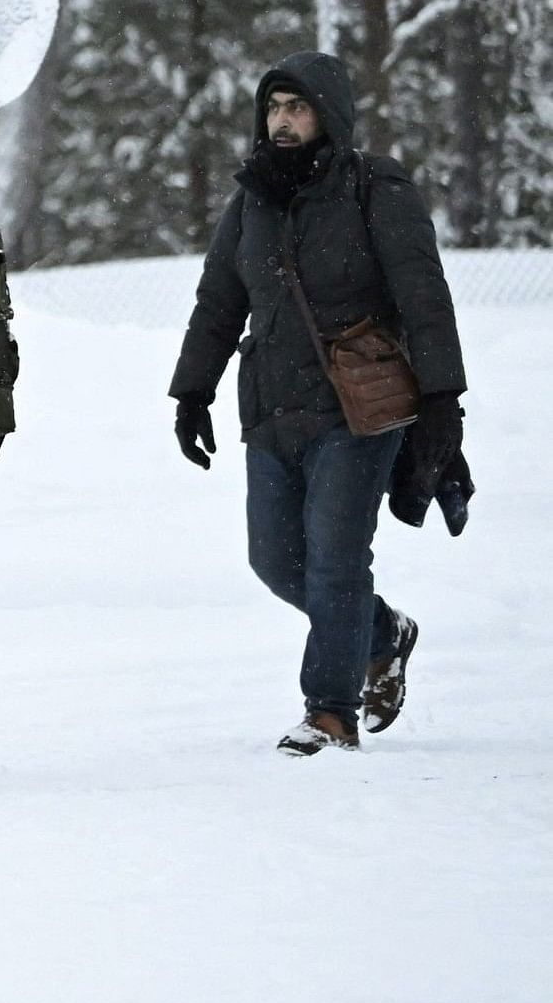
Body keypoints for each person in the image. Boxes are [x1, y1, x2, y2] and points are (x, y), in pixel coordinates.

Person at [167, 52, 469, 754]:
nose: (281, 120)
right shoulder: (252, 198)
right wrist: (192, 391)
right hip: (272, 407)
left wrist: (443, 399)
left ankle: (330, 711)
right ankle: (382, 633)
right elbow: (218, 301)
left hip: (357, 408)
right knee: (274, 558)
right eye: (273, 107)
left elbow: (425, 296)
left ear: (327, 113)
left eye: (296, 107)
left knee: (336, 556)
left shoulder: (376, 188)